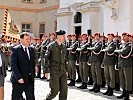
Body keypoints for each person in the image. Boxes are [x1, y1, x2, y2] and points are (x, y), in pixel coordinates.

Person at [10, 32, 36, 100]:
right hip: (19, 80)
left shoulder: (31, 49)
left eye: (29, 39)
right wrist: (19, 77)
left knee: (31, 98)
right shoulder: (16, 49)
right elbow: (13, 64)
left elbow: (32, 62)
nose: (28, 41)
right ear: (21, 40)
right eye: (26, 39)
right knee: (16, 98)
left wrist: (34, 71)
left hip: (30, 79)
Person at [44, 30, 68, 100]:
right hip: (54, 71)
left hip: (62, 71)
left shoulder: (64, 46)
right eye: (63, 35)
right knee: (55, 91)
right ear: (58, 36)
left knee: (64, 91)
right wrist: (46, 71)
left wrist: (66, 70)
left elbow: (65, 59)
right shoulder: (51, 46)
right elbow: (46, 58)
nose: (64, 37)